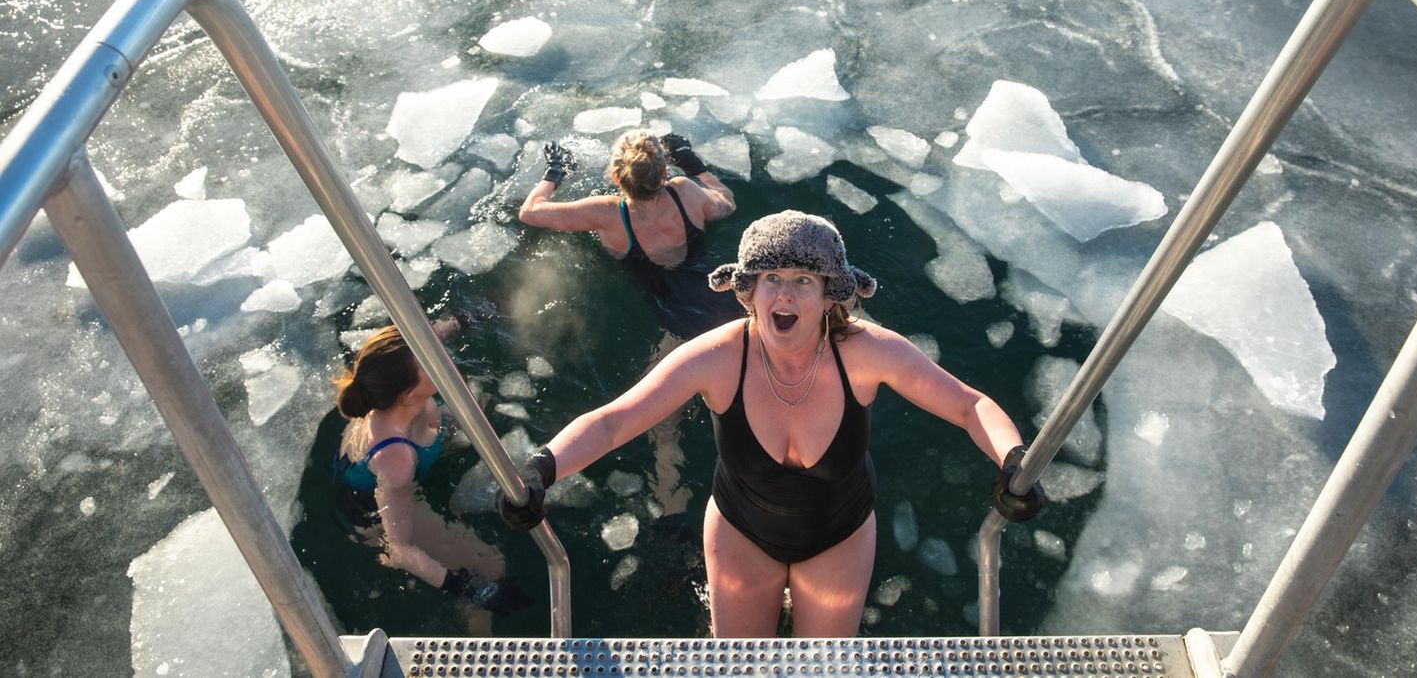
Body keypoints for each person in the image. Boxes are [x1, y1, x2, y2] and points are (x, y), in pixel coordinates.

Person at [495, 211, 1044, 636]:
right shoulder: (717, 355)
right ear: (748, 290)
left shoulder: (867, 353)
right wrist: (542, 468)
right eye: (771, 277)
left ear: (830, 294)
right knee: (740, 666)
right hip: (741, 533)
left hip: (839, 536)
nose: (784, 292)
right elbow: (615, 422)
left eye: (804, 279)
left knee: (823, 669)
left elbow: (969, 406)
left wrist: (1015, 459)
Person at [332, 322, 529, 618]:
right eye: (430, 361)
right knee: (491, 565)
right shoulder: (397, 460)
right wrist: (466, 588)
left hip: (408, 453)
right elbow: (401, 551)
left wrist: (462, 320)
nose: (443, 359)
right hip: (370, 505)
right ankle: (476, 632)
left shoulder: (392, 380)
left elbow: (421, 338)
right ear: (409, 395)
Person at [517, 128, 743, 340]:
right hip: (724, 293)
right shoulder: (685, 191)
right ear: (664, 172)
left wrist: (555, 171)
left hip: (676, 315)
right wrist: (695, 167)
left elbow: (529, 212)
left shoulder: (607, 213)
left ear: (616, 177)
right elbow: (727, 203)